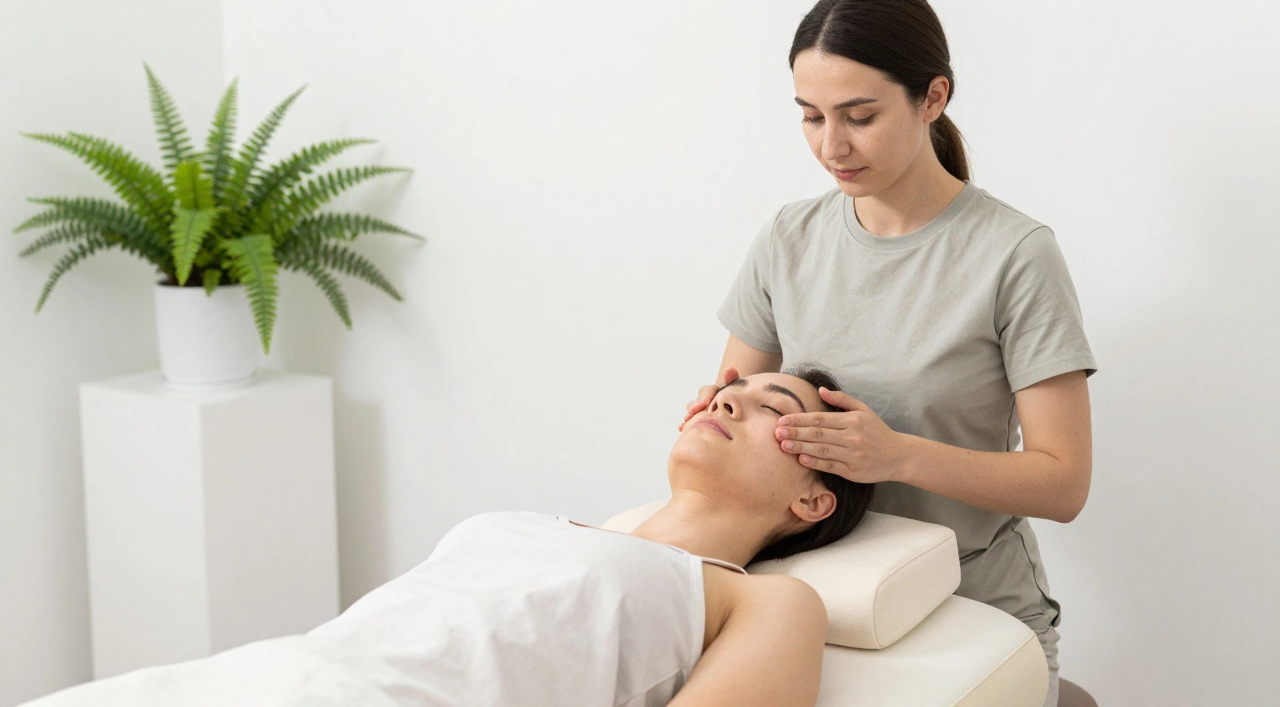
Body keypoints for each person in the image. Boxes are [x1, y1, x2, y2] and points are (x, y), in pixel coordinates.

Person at [677, 0, 1097, 706]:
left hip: (970, 614)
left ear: (933, 97)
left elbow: (1063, 484)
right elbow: (732, 413)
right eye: (811, 116)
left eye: (859, 116)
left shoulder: (1014, 255)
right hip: (812, 599)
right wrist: (713, 418)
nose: (831, 146)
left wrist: (896, 454)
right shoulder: (790, 238)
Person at [25, 368, 874, 707]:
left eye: (774, 409)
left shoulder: (762, 599)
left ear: (812, 500)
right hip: (255, 676)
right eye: (730, 391)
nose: (728, 401)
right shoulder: (545, 524)